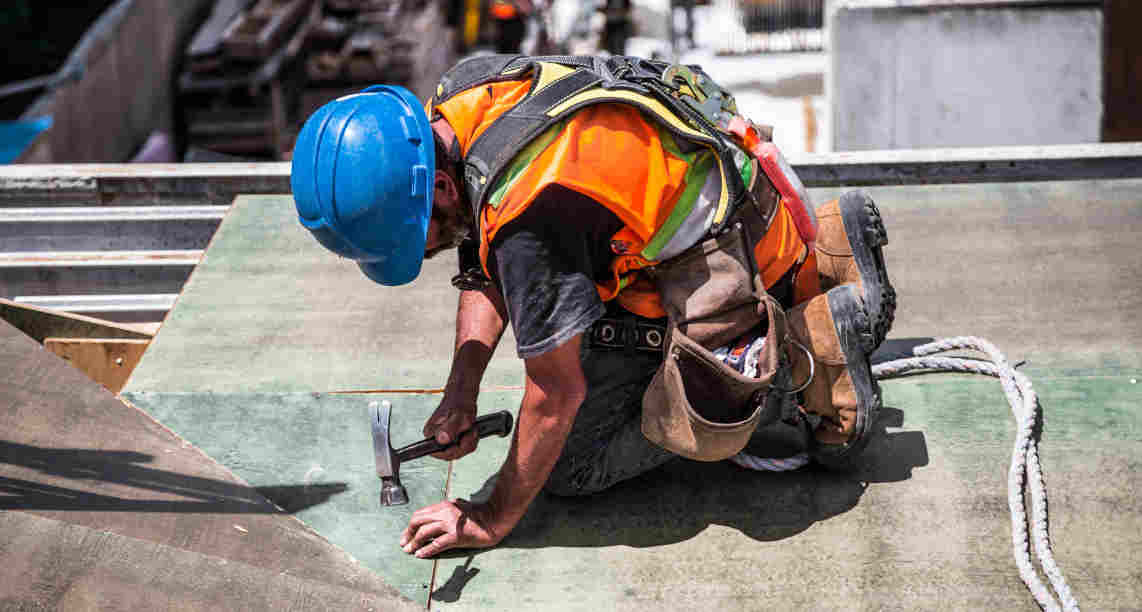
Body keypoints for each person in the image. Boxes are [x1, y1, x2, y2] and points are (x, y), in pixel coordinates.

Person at [290, 54, 896, 559]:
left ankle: (804, 357)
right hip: (738, 209)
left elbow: (555, 394)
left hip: (733, 268)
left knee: (572, 466)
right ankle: (830, 253)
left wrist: (491, 517)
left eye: (412, 241)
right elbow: (483, 258)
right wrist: (461, 392)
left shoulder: (532, 215)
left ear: (440, 187)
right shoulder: (462, 100)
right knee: (568, 332)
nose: (420, 256)